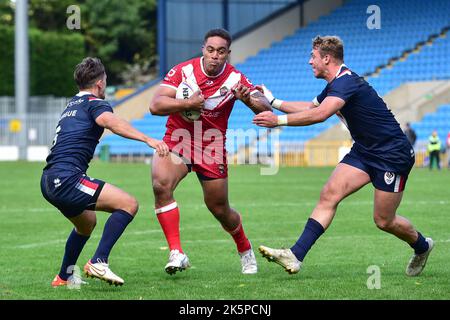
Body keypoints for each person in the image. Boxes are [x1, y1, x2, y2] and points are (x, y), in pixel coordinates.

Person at [253, 35, 433, 277]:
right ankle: (295, 255)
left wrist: (277, 121)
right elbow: (311, 108)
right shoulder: (335, 85)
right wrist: (274, 101)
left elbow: (321, 114)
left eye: (313, 56)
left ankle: (422, 246)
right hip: (364, 150)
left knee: (383, 220)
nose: (309, 62)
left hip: (392, 154)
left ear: (326, 58)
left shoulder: (346, 82)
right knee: (329, 194)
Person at [149, 28, 271, 275]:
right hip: (178, 140)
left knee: (219, 209)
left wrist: (247, 99)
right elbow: (155, 105)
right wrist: (187, 104)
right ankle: (176, 252)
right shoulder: (183, 72)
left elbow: (265, 107)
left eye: (221, 51)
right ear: (203, 49)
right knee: (161, 185)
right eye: (211, 50)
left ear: (228, 54)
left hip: (211, 146)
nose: (215, 55)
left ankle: (245, 249)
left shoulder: (236, 78)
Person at [41, 57, 169, 287]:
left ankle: (63, 277)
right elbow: (110, 121)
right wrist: (147, 138)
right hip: (67, 179)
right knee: (128, 204)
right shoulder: (95, 103)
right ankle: (99, 261)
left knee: (86, 224)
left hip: (49, 179)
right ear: (100, 83)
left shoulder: (72, 105)